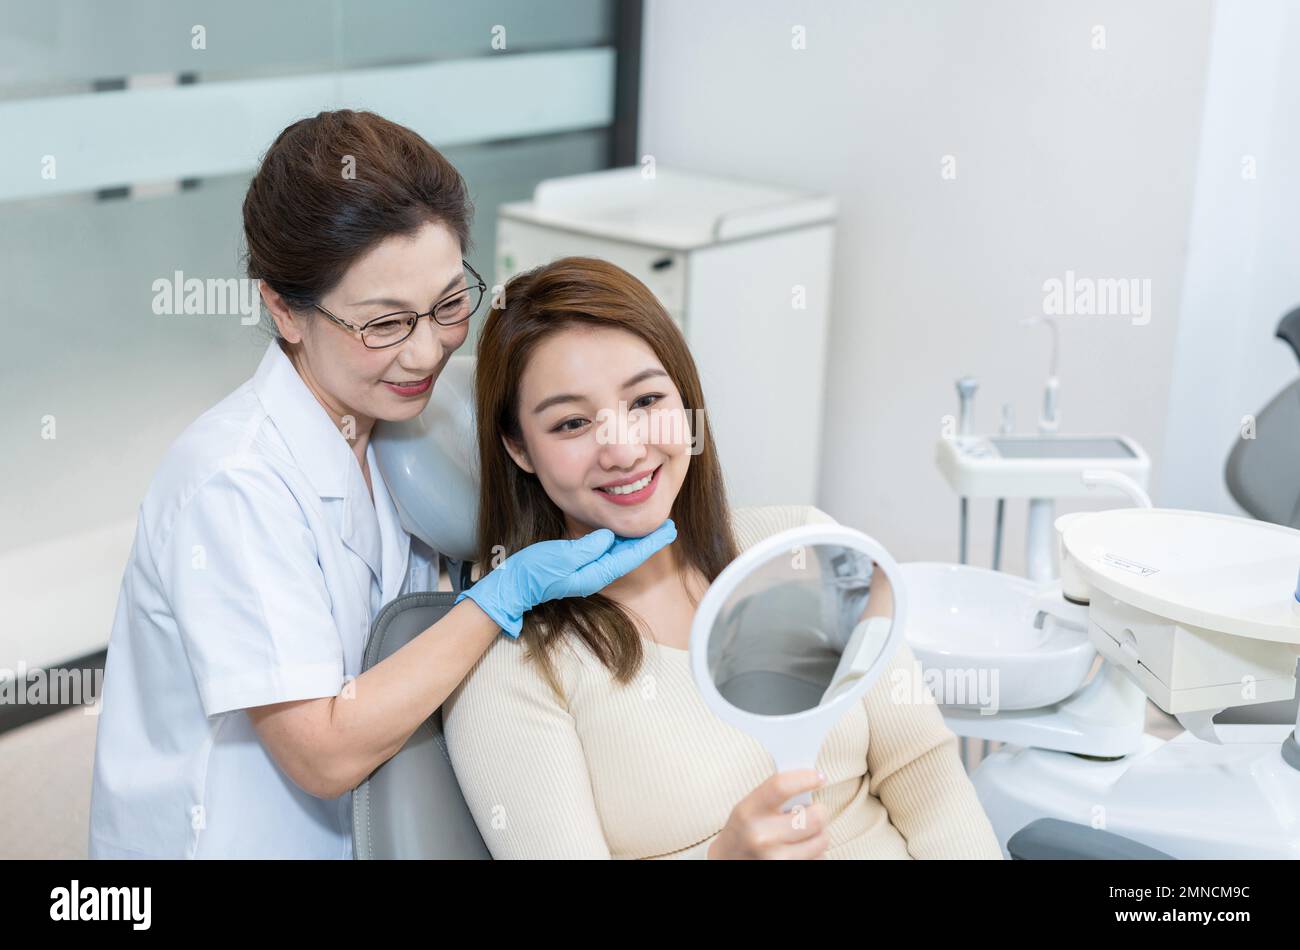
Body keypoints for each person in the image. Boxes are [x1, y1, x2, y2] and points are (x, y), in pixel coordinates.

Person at [88, 112, 673, 859]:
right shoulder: (233, 486)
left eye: (450, 303)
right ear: (283, 309)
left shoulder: (412, 416)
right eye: (385, 324)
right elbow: (322, 754)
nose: (428, 352)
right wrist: (500, 598)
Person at [443, 257, 1004, 859]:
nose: (624, 449)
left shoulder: (804, 549)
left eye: (645, 400)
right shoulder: (507, 665)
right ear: (519, 448)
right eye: (573, 422)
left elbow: (925, 771)